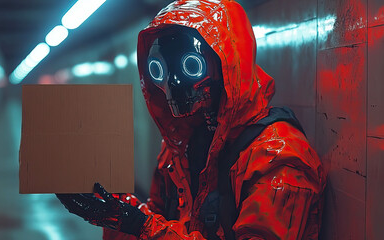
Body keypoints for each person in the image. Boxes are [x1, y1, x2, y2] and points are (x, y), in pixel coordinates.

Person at [56, 0, 327, 239]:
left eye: (191, 66)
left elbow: (153, 228)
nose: (173, 84)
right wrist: (118, 212)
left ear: (227, 63)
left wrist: (139, 223)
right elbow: (161, 221)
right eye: (159, 71)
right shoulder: (181, 144)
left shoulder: (279, 159)